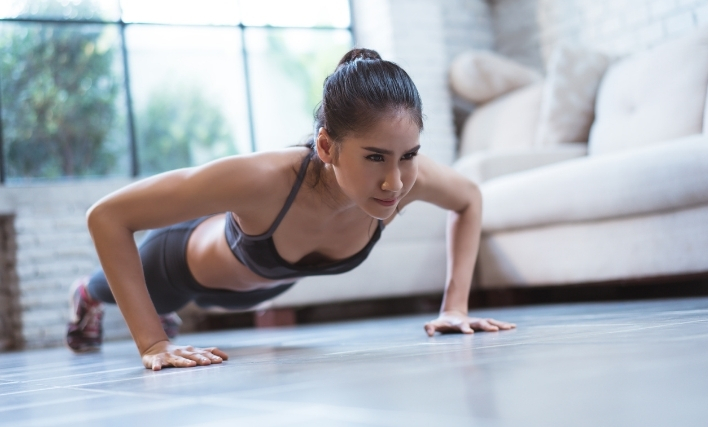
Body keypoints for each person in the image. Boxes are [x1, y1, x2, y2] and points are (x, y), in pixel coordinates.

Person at [66, 48, 516, 370]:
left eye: (410, 155)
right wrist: (152, 342)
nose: (395, 182)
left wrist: (454, 307)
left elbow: (469, 198)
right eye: (375, 156)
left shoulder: (403, 179)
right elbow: (106, 216)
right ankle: (84, 296)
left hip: (260, 285)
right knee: (118, 291)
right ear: (327, 146)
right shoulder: (265, 178)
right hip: (177, 267)